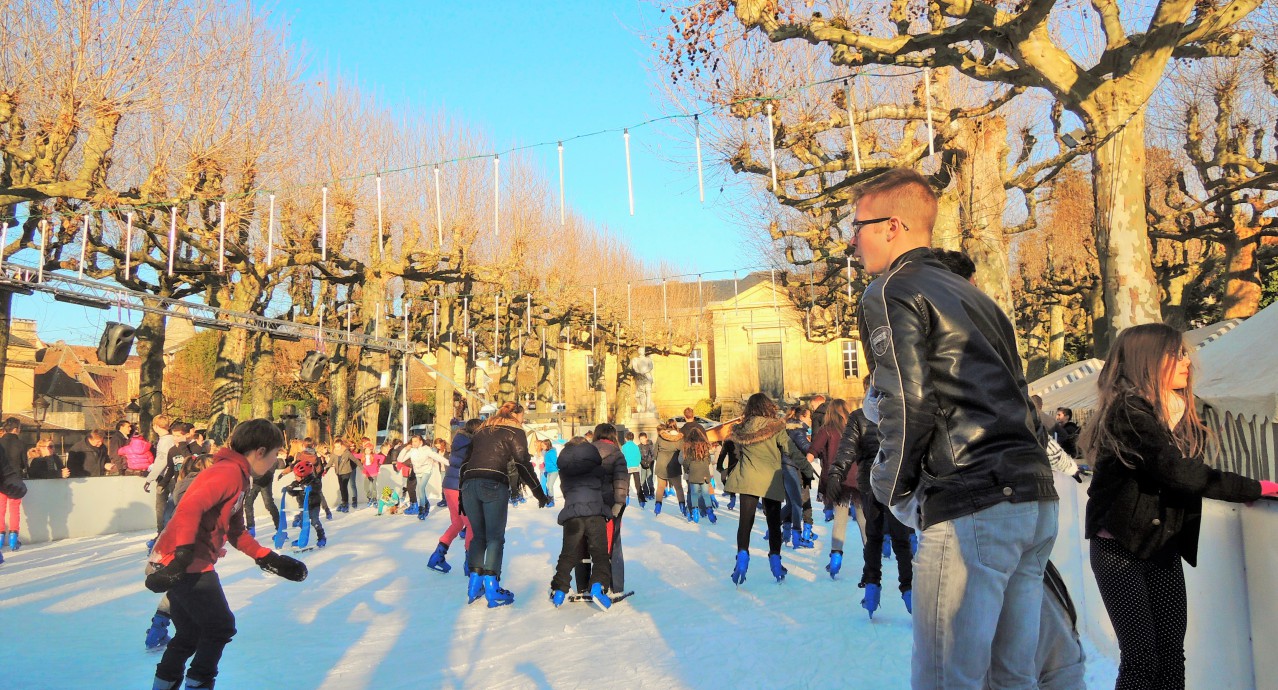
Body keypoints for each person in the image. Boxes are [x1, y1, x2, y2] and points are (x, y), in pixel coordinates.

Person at [852, 168, 1058, 688]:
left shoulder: (891, 289)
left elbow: (907, 399)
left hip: (972, 502)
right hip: (1032, 498)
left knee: (949, 680)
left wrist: (890, 488)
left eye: (857, 226)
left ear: (893, 226)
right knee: (1013, 677)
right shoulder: (978, 296)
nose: (851, 241)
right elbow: (1019, 395)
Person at [1082, 323, 1278, 689]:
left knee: (1171, 658)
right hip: (1119, 550)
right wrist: (1258, 487)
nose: (1188, 362)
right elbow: (1182, 474)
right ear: (1148, 361)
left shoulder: (1171, 413)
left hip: (1160, 547)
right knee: (1142, 662)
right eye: (1176, 354)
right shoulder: (1128, 412)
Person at [144, 419, 306, 690]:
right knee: (220, 627)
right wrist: (183, 556)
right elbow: (188, 509)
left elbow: (236, 530)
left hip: (183, 560)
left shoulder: (237, 475)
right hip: (185, 562)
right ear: (259, 451)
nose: (275, 462)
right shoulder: (228, 472)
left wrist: (267, 557)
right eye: (275, 455)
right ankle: (198, 684)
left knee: (189, 633)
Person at [459, 402, 548, 607]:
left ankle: (474, 585)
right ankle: (492, 587)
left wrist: (460, 495)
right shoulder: (515, 431)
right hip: (492, 483)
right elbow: (523, 464)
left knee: (478, 536)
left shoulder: (482, 430)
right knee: (495, 537)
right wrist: (539, 494)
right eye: (523, 417)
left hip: (469, 485)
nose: (523, 421)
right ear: (516, 416)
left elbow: (465, 462)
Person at [723, 392, 796, 584]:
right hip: (770, 478)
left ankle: (742, 558)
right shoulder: (776, 426)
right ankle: (775, 561)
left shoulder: (742, 428)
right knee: (773, 523)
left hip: (748, 477)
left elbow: (736, 452)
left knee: (745, 522)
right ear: (767, 406)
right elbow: (788, 449)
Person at [547, 437, 613, 610]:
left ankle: (559, 591)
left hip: (573, 515)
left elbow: (566, 491)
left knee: (568, 554)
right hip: (595, 514)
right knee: (599, 554)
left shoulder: (564, 471)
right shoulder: (598, 468)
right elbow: (606, 491)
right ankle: (598, 586)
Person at [811, 400, 863, 576]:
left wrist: (801, 467)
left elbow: (812, 452)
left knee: (840, 520)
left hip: (837, 480)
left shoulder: (826, 430)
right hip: (857, 479)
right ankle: (870, 557)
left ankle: (835, 558)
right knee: (864, 519)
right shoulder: (855, 428)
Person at [576, 424, 629, 594]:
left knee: (584, 543)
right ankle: (613, 585)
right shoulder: (617, 454)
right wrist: (619, 503)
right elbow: (621, 481)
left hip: (586, 503)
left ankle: (583, 584)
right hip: (608, 504)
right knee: (612, 544)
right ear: (613, 436)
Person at [428, 421, 478, 572]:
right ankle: (470, 563)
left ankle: (437, 556)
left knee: (457, 523)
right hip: (459, 487)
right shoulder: (471, 445)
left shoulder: (459, 441)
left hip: (449, 485)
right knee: (471, 524)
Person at [783, 405, 815, 548]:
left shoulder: (790, 428)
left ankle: (783, 533)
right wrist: (817, 449)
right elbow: (805, 447)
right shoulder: (797, 430)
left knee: (791, 503)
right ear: (802, 417)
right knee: (796, 503)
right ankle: (796, 536)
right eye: (809, 417)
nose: (810, 420)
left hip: (787, 467)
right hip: (792, 467)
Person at [278, 453, 326, 548]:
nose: (295, 478)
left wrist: (309, 487)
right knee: (301, 523)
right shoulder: (296, 483)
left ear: (303, 475)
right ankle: (301, 537)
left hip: (313, 505)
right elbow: (294, 492)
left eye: (297, 476)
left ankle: (321, 537)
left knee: (314, 521)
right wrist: (289, 489)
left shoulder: (314, 481)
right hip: (303, 507)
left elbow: (317, 487)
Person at [244, 439, 287, 537]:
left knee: (268, 504)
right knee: (248, 504)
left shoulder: (270, 456)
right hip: (255, 482)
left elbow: (271, 468)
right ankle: (251, 528)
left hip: (264, 481)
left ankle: (279, 527)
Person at [681, 424, 716, 524]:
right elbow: (708, 459)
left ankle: (695, 512)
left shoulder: (688, 447)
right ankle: (710, 511)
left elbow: (686, 461)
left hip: (693, 473)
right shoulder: (704, 446)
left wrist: (687, 469)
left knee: (694, 493)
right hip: (704, 472)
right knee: (705, 493)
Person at [652, 419, 685, 515]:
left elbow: (655, 453)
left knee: (660, 486)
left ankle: (658, 506)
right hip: (674, 464)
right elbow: (682, 452)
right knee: (678, 487)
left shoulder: (660, 437)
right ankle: (682, 507)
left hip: (661, 464)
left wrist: (657, 459)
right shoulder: (679, 438)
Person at [0, 444, 25, 561]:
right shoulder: (19, 445)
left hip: (1, 485)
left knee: (1, 510)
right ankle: (13, 540)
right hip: (13, 481)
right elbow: (24, 464)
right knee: (14, 510)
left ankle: (0, 539)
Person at [330, 439, 357, 512]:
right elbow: (330, 462)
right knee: (342, 487)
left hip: (346, 471)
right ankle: (343, 502)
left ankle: (346, 503)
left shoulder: (346, 452)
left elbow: (355, 460)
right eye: (335, 446)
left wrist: (362, 468)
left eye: (338, 446)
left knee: (344, 487)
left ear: (341, 445)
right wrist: (325, 470)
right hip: (339, 472)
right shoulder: (334, 453)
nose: (337, 448)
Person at [620, 431, 644, 501]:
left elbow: (622, 456)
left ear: (625, 438)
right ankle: (641, 498)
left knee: (627, 482)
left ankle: (626, 497)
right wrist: (637, 463)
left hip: (627, 467)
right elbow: (639, 456)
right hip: (635, 467)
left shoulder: (624, 447)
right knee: (637, 483)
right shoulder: (636, 446)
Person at [636, 432, 655, 502]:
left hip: (650, 464)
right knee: (643, 479)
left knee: (649, 479)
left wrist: (649, 462)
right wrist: (642, 462)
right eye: (640, 439)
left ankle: (652, 492)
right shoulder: (639, 446)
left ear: (646, 438)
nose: (642, 440)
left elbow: (653, 455)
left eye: (643, 439)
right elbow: (638, 456)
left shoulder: (650, 445)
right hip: (643, 464)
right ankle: (646, 492)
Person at [541, 439, 560, 507]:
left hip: (554, 471)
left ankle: (551, 501)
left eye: (543, 445)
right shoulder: (547, 452)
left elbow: (555, 462)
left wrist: (559, 469)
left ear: (547, 445)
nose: (542, 447)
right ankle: (549, 499)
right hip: (549, 471)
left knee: (550, 486)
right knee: (548, 486)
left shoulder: (551, 452)